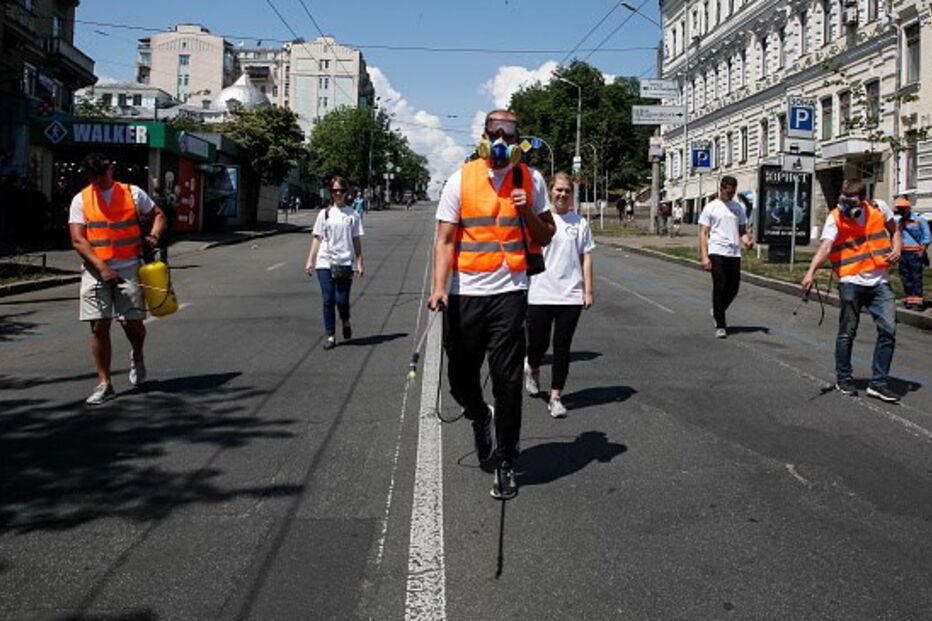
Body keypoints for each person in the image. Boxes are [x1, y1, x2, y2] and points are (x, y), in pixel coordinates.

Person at [428, 109, 555, 500]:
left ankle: (505, 460)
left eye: (509, 133)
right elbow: (446, 240)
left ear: (518, 139)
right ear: (483, 136)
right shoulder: (460, 179)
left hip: (509, 292)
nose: (501, 139)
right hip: (465, 292)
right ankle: (479, 416)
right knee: (460, 380)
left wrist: (526, 209)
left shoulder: (531, 179)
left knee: (508, 380)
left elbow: (546, 235)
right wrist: (439, 287)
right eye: (494, 132)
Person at [69, 153, 166, 405]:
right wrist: (101, 268)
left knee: (131, 324)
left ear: (111, 169)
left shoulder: (132, 193)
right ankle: (105, 383)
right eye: (92, 177)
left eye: (100, 175)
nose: (97, 181)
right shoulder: (81, 199)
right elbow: (78, 239)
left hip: (130, 268)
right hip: (95, 270)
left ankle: (137, 355)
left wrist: (153, 238)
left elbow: (158, 215)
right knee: (99, 325)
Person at [801, 180, 902, 402]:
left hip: (879, 281)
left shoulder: (879, 208)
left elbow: (894, 230)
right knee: (847, 332)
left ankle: (878, 383)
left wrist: (897, 247)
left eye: (851, 202)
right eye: (843, 201)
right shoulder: (835, 217)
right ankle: (844, 378)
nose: (846, 206)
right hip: (851, 280)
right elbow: (826, 247)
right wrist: (810, 272)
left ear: (863, 200)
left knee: (888, 331)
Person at [524, 172, 594, 418]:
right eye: (558, 190)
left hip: (570, 295)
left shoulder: (580, 223)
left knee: (562, 347)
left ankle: (556, 397)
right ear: (550, 192)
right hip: (540, 293)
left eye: (567, 191)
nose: (562, 194)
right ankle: (532, 367)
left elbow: (586, 257)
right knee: (539, 344)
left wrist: (588, 290)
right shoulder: (540, 219)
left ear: (571, 195)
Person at [305, 176, 364, 350]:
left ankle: (345, 320)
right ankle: (331, 335)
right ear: (330, 193)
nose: (337, 194)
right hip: (324, 261)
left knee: (342, 299)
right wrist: (310, 260)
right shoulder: (324, 214)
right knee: (328, 299)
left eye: (341, 190)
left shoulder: (353, 214)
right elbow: (317, 238)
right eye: (334, 191)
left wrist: (360, 262)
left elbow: (356, 240)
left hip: (345, 261)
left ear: (346, 192)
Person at [699, 175, 754, 338]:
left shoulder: (738, 208)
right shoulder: (711, 207)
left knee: (733, 288)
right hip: (716, 251)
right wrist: (704, 256)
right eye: (728, 191)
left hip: (734, 252)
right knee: (720, 285)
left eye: (733, 192)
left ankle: (717, 309)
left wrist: (747, 242)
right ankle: (721, 325)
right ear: (721, 188)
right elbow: (703, 233)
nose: (730, 195)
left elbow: (742, 231)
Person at [894, 195, 930, 311]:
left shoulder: (919, 220)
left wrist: (923, 250)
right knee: (906, 278)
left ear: (908, 209)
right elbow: (897, 236)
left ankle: (918, 303)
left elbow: (927, 236)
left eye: (902, 209)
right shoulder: (900, 221)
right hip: (903, 254)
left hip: (915, 253)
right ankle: (910, 300)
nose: (900, 211)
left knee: (916, 278)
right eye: (899, 209)